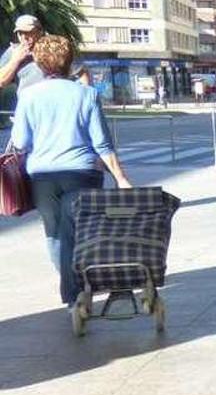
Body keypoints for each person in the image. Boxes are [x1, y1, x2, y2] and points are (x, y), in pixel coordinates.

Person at [10, 35, 133, 306]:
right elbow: (101, 142)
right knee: (83, 230)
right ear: (69, 63)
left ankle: (73, 294)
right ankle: (82, 283)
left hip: (42, 175)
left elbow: (20, 142)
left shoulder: (28, 96)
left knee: (54, 232)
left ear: (40, 64)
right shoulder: (86, 94)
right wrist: (121, 178)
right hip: (82, 172)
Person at [0, 15, 49, 95]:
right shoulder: (13, 51)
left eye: (28, 32)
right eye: (20, 33)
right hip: (27, 102)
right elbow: (1, 81)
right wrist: (15, 60)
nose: (24, 37)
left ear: (40, 32)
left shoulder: (50, 49)